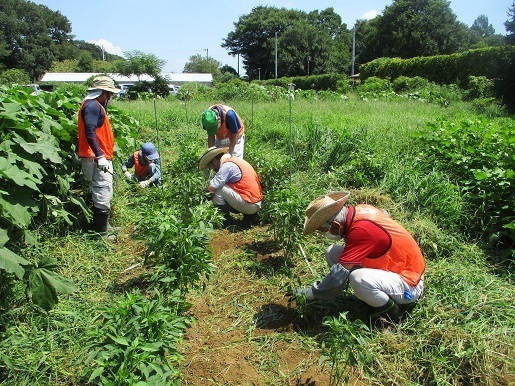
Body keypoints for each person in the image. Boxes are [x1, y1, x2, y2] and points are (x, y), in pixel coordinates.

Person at [291, 190, 426, 327]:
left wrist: (313, 292)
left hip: (410, 282)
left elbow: (339, 273)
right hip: (394, 265)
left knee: (358, 278)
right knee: (332, 253)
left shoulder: (361, 231)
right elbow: (384, 213)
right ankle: (368, 296)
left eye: (323, 230)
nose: (323, 235)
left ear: (336, 225)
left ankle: (392, 316)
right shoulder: (361, 210)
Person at [77, 76, 121, 240]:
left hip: (95, 156)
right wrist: (100, 156)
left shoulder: (92, 105)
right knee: (102, 192)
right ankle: (101, 234)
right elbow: (90, 131)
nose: (110, 98)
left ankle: (106, 227)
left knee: (103, 191)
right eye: (110, 94)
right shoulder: (92, 106)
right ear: (104, 93)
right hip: (95, 157)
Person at [198, 146, 263, 228]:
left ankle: (224, 222)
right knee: (225, 187)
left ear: (214, 161)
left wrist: (197, 201)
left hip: (250, 204)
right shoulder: (235, 160)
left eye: (212, 167)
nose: (213, 170)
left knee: (218, 189)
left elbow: (211, 190)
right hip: (255, 202)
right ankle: (250, 217)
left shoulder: (227, 166)